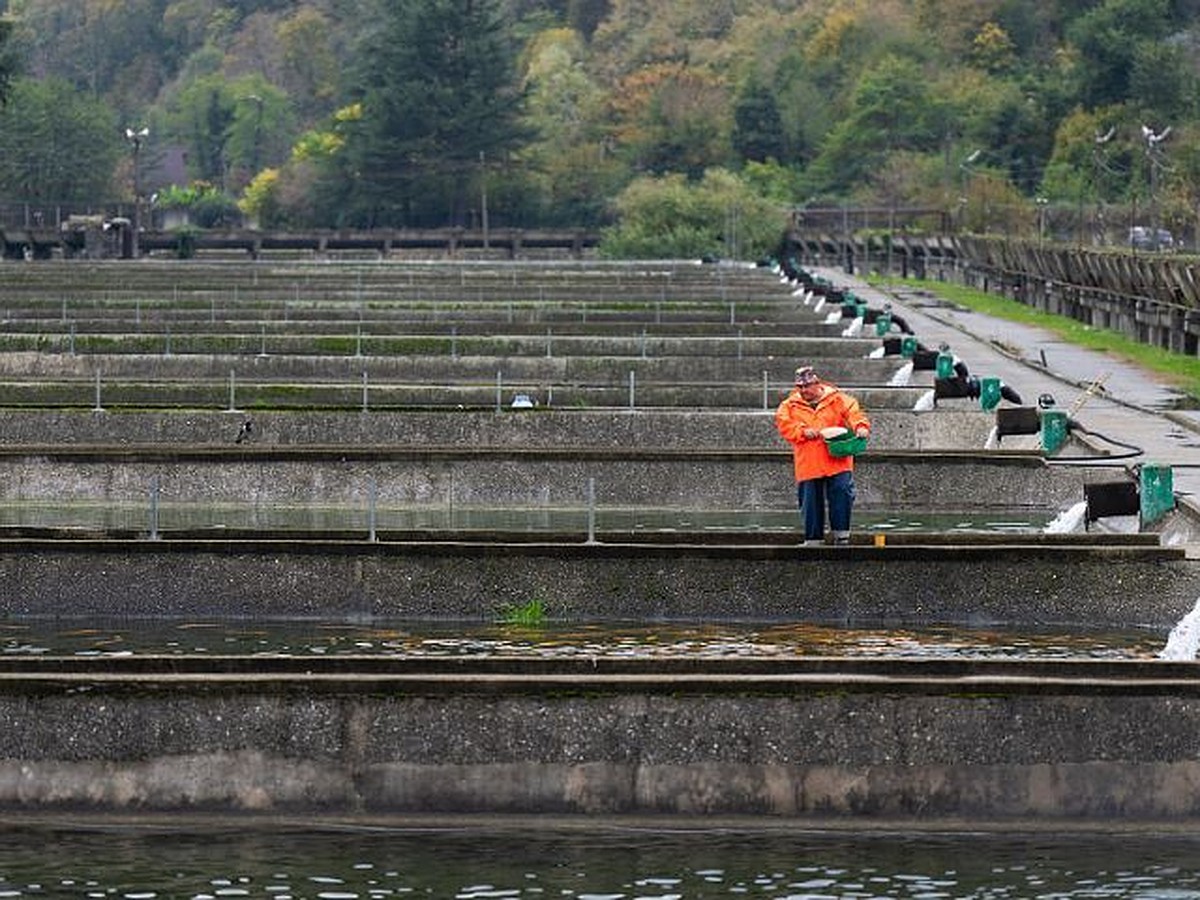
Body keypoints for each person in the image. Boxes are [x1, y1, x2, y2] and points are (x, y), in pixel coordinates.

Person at [774, 366, 871, 545]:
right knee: (810, 502)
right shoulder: (788, 405)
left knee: (842, 493)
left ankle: (841, 537)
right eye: (800, 387)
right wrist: (802, 431)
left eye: (807, 386)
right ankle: (813, 540)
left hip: (837, 459)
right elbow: (784, 425)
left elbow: (855, 414)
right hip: (809, 462)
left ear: (817, 384)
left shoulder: (840, 399)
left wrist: (861, 427)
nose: (803, 391)